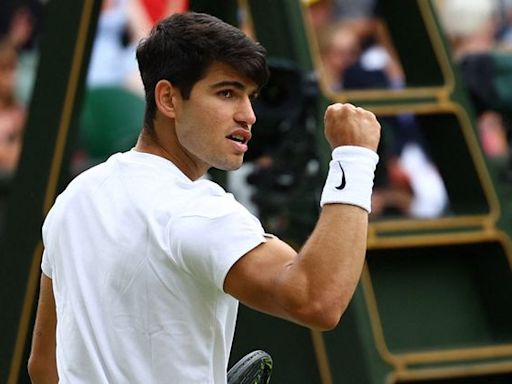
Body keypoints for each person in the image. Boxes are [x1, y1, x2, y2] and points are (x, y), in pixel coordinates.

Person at [27, 12, 381, 384]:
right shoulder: (199, 211)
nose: (248, 115)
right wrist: (353, 158)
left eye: (250, 97)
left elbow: (44, 366)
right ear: (168, 98)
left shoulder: (74, 198)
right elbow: (317, 299)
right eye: (226, 93)